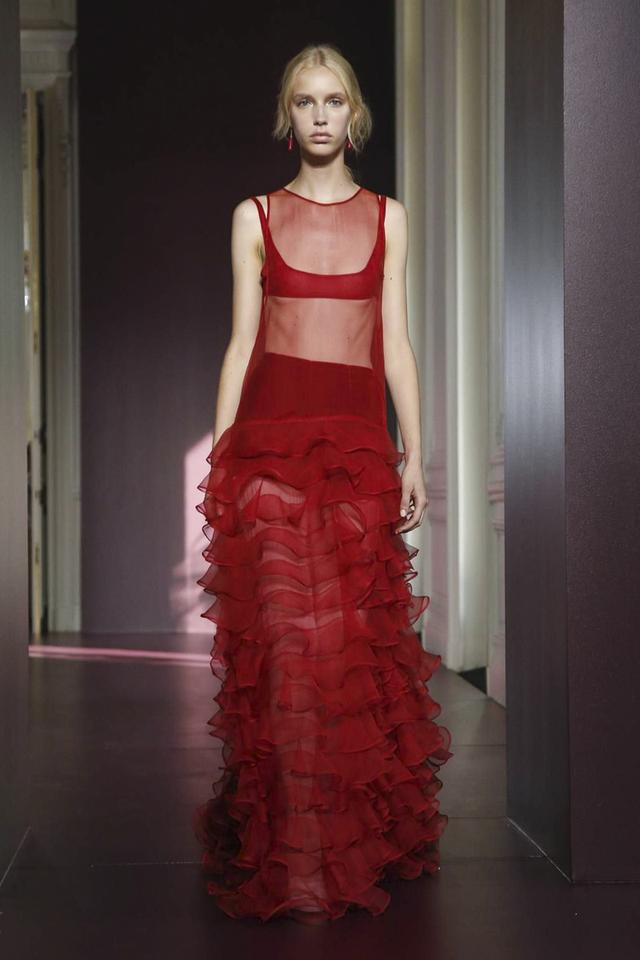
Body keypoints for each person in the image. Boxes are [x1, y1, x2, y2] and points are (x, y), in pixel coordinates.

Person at [193, 42, 453, 925]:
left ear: (355, 114)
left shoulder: (389, 217)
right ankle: (297, 854)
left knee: (345, 653)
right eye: (305, 101)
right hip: (268, 453)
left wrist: (414, 453)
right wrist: (221, 462)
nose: (319, 116)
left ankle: (346, 844)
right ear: (287, 114)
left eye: (333, 100)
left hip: (356, 455)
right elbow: (240, 346)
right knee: (286, 656)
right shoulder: (255, 216)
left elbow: (396, 345)